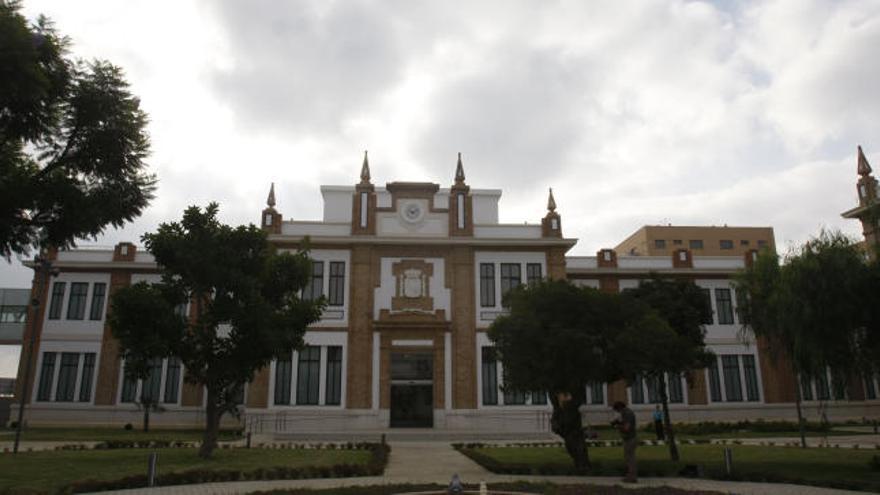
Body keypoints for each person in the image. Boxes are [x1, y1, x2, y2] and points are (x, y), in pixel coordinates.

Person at [612, 400, 637, 483]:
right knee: (628, 458)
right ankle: (629, 476)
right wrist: (619, 422)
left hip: (630, 438)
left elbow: (627, 428)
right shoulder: (627, 412)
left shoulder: (627, 413)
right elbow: (625, 424)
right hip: (628, 438)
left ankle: (632, 477)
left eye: (617, 410)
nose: (618, 412)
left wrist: (617, 426)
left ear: (620, 408)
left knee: (630, 459)